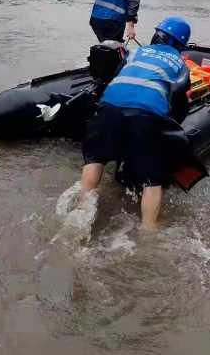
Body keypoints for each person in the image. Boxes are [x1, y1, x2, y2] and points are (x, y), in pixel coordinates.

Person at [79, 16, 192, 230]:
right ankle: (149, 231)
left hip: (109, 106)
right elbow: (180, 100)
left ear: (156, 34)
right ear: (180, 44)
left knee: (95, 158)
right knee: (153, 178)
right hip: (146, 113)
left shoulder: (136, 52)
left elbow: (115, 75)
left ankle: (81, 211)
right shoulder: (180, 63)